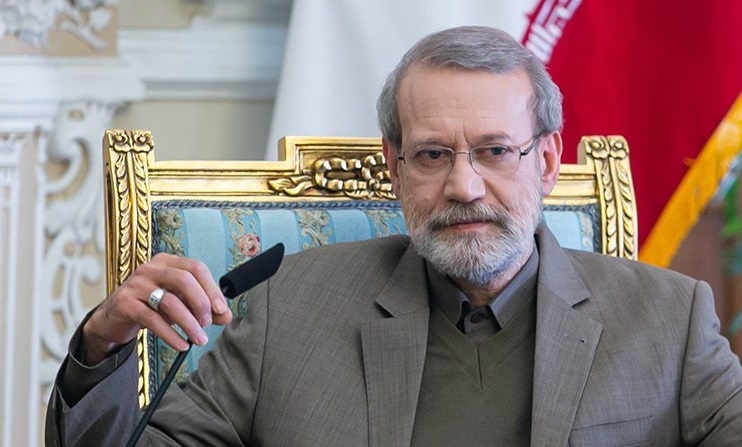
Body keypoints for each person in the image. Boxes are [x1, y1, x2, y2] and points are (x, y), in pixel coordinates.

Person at [46, 26, 742, 446]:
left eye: (496, 151)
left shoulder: (668, 320)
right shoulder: (292, 306)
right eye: (434, 154)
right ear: (395, 166)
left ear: (549, 161)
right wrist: (99, 348)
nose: (464, 186)